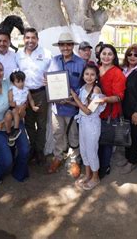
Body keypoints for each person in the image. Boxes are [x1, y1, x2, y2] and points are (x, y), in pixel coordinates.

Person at [47, 33, 86, 178]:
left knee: (73, 134)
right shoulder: (53, 61)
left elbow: (84, 85)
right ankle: (58, 156)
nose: (65, 47)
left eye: (68, 44)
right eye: (62, 45)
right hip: (56, 107)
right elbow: (49, 80)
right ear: (59, 47)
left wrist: (71, 97)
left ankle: (75, 159)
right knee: (58, 133)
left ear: (72, 46)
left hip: (72, 107)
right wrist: (49, 86)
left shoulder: (81, 63)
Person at [16, 28, 52, 165]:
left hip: (41, 93)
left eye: (33, 38)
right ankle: (32, 148)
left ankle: (39, 151)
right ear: (24, 39)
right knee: (29, 123)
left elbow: (52, 72)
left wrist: (50, 80)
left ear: (37, 39)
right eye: (27, 38)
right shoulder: (18, 55)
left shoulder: (46, 54)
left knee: (42, 124)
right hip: (24, 94)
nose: (30, 40)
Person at [70, 64, 106, 190]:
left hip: (92, 124)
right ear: (83, 75)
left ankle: (95, 178)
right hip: (83, 123)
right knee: (84, 150)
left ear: (96, 76)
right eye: (86, 74)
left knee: (92, 151)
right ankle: (88, 174)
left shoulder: (96, 91)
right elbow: (80, 104)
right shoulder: (83, 87)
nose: (89, 77)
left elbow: (88, 111)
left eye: (92, 74)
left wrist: (74, 97)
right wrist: (68, 101)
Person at [119, 44, 137, 174]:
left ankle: (133, 161)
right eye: (130, 54)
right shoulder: (123, 70)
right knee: (127, 134)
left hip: (135, 111)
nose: (132, 57)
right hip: (124, 109)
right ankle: (128, 157)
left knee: (135, 135)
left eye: (136, 54)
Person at [98, 44, 126, 178]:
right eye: (104, 53)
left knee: (106, 142)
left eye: (110, 54)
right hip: (94, 112)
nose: (106, 56)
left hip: (109, 113)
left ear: (114, 56)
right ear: (99, 55)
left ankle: (105, 166)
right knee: (96, 140)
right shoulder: (96, 70)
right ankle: (96, 165)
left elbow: (119, 97)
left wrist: (103, 100)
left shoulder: (117, 73)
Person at [5, 70, 39, 146]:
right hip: (13, 108)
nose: (21, 83)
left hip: (22, 108)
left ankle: (16, 129)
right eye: (18, 82)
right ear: (13, 82)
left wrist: (33, 106)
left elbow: (30, 99)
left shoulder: (26, 90)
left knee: (16, 113)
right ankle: (9, 132)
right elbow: (10, 100)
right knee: (9, 115)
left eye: (22, 81)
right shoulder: (12, 90)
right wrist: (13, 104)